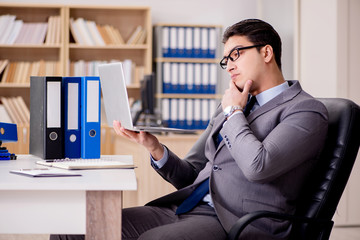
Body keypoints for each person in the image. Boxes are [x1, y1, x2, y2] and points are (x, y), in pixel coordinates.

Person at [50, 19, 328, 240]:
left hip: (239, 222)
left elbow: (259, 165)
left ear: (266, 52)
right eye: (225, 60)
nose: (229, 66)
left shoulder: (304, 111)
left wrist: (233, 112)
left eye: (236, 55)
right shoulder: (233, 106)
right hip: (187, 208)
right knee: (73, 229)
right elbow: (192, 175)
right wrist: (155, 148)